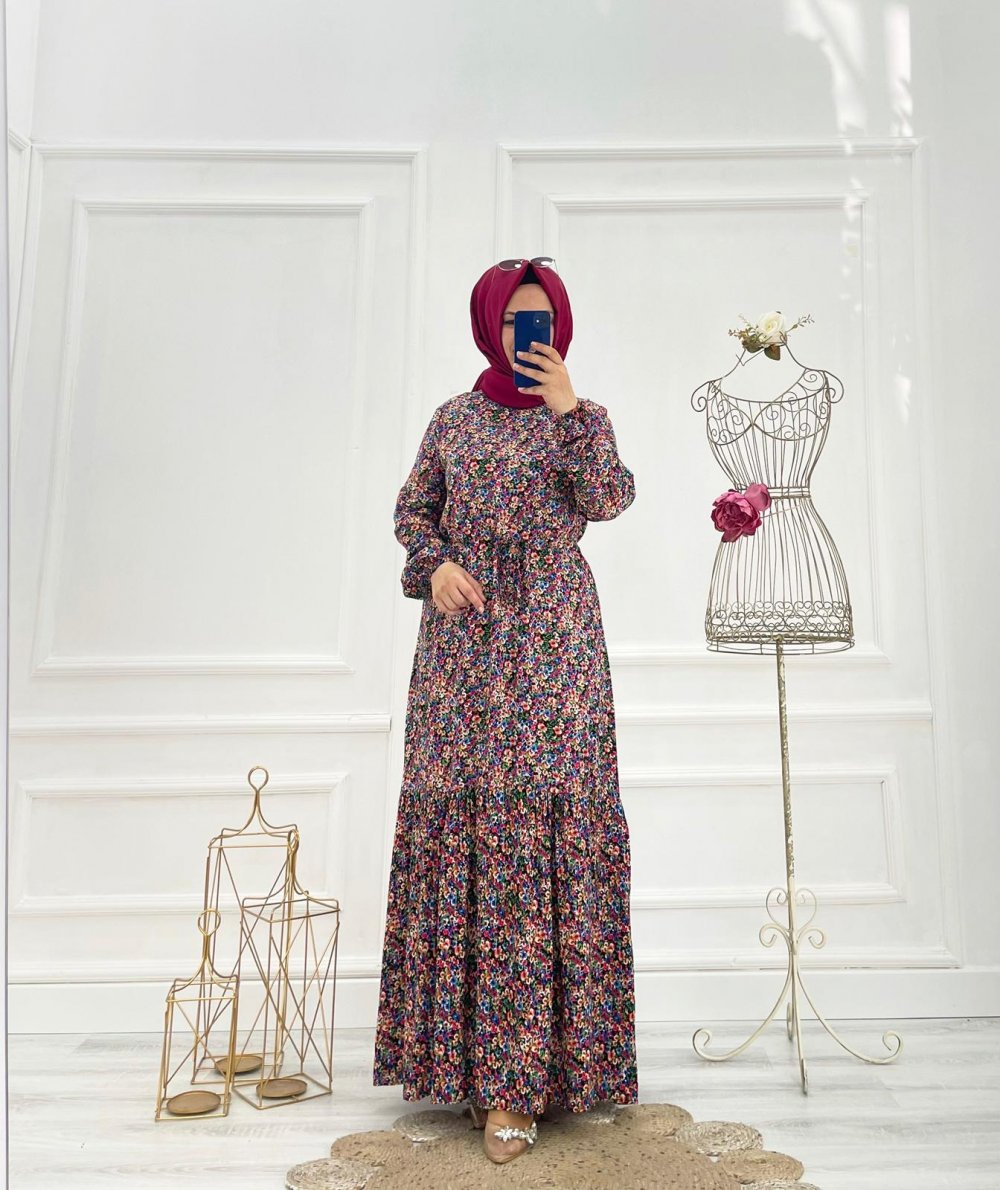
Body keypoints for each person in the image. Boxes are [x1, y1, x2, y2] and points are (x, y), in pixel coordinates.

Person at [372, 257, 639, 1166]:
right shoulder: (453, 418)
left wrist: (570, 409)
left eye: (545, 320)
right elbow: (413, 514)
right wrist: (436, 565)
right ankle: (469, 1068)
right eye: (519, 320)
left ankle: (530, 1080)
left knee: (541, 834)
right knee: (471, 831)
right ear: (490, 324)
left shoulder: (581, 418)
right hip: (463, 647)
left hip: (555, 645)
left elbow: (609, 498)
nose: (534, 335)